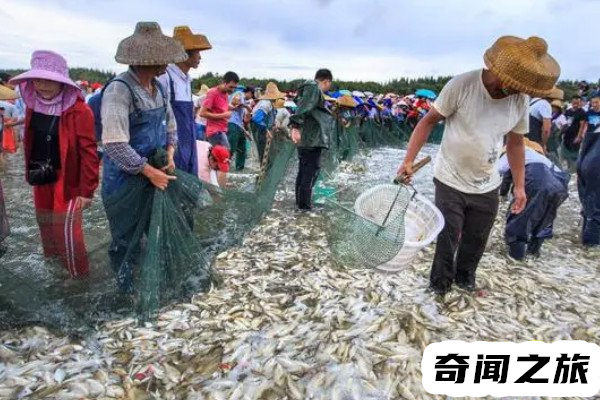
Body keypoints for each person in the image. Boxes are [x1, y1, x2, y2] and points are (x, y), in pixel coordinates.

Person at [396, 36, 560, 295]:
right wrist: (408, 160)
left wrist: (519, 186)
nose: (514, 91)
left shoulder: (519, 100)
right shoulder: (462, 85)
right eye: (511, 85)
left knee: (476, 240)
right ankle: (439, 289)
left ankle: (465, 283)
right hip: (449, 177)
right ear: (497, 70)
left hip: (487, 182)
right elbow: (428, 121)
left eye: (520, 88)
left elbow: (516, 143)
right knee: (448, 238)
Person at [100, 21, 186, 292]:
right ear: (144, 60)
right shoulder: (119, 90)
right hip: (125, 180)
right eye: (161, 59)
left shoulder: (159, 88)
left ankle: (158, 284)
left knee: (159, 229)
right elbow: (114, 144)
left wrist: (170, 151)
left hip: (156, 173)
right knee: (126, 238)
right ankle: (126, 289)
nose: (165, 64)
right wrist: (149, 172)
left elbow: (169, 124)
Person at [9, 50, 100, 278]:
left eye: (50, 80)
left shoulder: (80, 110)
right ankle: (55, 271)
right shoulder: (32, 104)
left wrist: (87, 190)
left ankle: (79, 277)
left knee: (67, 232)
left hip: (67, 179)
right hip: (41, 173)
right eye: (38, 79)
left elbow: (89, 152)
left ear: (62, 82)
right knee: (46, 225)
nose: (43, 85)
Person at [498, 139, 569, 259]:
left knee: (518, 222)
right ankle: (533, 257)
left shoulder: (513, 153)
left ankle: (516, 263)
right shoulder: (541, 157)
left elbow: (497, 173)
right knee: (543, 222)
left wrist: (501, 196)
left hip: (537, 179)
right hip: (560, 183)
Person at [158, 26, 212, 175]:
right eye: (197, 52)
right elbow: (160, 116)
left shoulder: (187, 80)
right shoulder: (165, 76)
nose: (200, 57)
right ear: (184, 54)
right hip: (173, 141)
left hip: (189, 137)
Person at [290, 68, 335, 211]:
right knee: (309, 171)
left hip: (309, 138)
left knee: (304, 171)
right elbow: (303, 108)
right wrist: (295, 126)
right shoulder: (313, 88)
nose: (329, 87)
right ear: (326, 81)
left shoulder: (309, 90)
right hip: (311, 140)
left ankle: (300, 202)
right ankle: (304, 206)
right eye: (329, 84)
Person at [577, 95, 600, 246]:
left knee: (589, 208)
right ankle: (591, 250)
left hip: (586, 160)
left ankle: (584, 251)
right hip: (595, 162)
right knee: (596, 213)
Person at [199, 72, 239, 149]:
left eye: (234, 87)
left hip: (222, 130)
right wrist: (224, 115)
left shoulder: (226, 94)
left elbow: (220, 107)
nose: (233, 90)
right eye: (231, 87)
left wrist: (231, 107)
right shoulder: (212, 92)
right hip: (215, 131)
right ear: (224, 83)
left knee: (221, 157)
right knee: (224, 156)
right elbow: (202, 113)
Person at [251, 82, 285, 161]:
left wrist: (274, 125)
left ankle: (265, 166)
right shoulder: (266, 103)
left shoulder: (271, 104)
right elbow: (257, 118)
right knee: (262, 150)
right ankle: (263, 169)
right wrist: (266, 130)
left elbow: (272, 117)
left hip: (265, 128)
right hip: (260, 128)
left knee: (266, 151)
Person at [561, 95, 587, 172]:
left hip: (575, 136)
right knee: (566, 153)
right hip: (567, 135)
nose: (575, 104)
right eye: (574, 102)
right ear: (572, 102)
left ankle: (574, 171)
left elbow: (582, 125)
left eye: (577, 103)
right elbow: (564, 122)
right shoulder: (568, 111)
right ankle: (569, 168)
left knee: (574, 154)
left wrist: (579, 137)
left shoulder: (582, 112)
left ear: (580, 103)